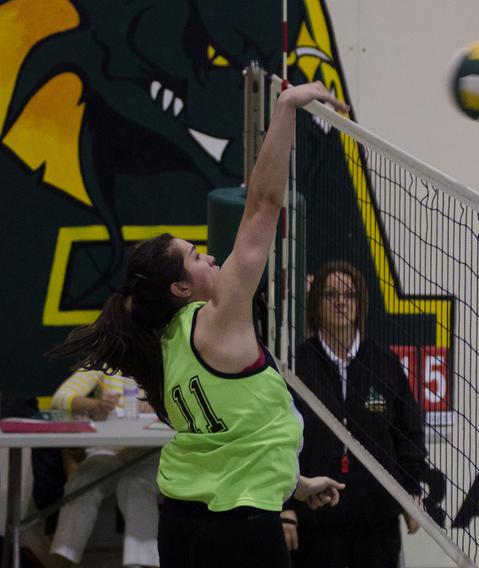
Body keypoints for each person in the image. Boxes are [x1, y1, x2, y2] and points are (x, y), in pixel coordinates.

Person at [47, 81, 349, 568]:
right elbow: (263, 205)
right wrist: (287, 108)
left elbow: (231, 436)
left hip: (183, 526)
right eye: (194, 255)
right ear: (180, 289)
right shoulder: (217, 316)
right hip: (242, 531)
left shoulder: (155, 348)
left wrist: (297, 483)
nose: (209, 256)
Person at [281, 261, 427, 568]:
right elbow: (277, 441)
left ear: (360, 304)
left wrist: (411, 491)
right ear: (316, 303)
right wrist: (285, 507)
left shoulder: (384, 362)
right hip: (316, 520)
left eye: (349, 295)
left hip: (376, 519)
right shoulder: (295, 365)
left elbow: (408, 432)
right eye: (330, 294)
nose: (340, 302)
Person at [49, 368, 160, 567]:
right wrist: (95, 405)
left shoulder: (166, 354)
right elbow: (60, 398)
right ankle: (62, 560)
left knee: (135, 483)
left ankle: (142, 564)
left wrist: (161, 407)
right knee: (84, 479)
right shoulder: (104, 358)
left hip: (150, 451)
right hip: (108, 448)